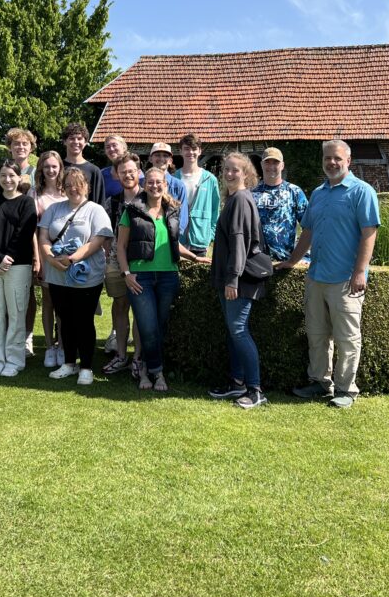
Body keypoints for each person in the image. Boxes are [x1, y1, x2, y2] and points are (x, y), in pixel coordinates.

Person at [277, 140, 380, 409]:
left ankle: (346, 389)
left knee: (347, 338)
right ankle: (320, 382)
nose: (331, 163)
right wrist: (292, 261)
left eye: (336, 158)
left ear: (348, 160)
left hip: (345, 279)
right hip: (316, 276)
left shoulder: (362, 192)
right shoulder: (319, 194)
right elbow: (308, 232)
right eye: (327, 158)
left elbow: (369, 233)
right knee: (317, 334)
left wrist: (360, 272)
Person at [117, 168, 209, 392]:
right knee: (147, 328)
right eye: (150, 182)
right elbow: (120, 246)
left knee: (159, 326)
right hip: (141, 277)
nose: (155, 186)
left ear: (166, 185)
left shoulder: (172, 210)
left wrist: (195, 257)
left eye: (159, 182)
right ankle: (155, 373)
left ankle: (150, 368)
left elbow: (172, 243)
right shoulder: (132, 210)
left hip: (168, 275)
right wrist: (126, 274)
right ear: (144, 184)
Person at [38, 167, 113, 385]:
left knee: (83, 320)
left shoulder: (95, 210)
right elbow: (43, 236)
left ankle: (86, 367)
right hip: (57, 274)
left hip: (86, 275)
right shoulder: (54, 209)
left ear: (86, 186)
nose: (73, 188)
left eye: (77, 184)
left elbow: (97, 241)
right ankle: (69, 363)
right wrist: (51, 259)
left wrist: (71, 259)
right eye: (68, 184)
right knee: (65, 319)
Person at [208, 152, 268, 409]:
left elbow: (240, 242)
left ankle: (255, 390)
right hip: (230, 279)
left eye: (236, 170)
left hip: (239, 281)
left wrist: (232, 279)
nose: (230, 173)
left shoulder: (242, 199)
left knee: (240, 331)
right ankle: (237, 383)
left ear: (246, 174)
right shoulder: (234, 199)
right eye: (227, 169)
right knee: (234, 332)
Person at [0, 159, 38, 377]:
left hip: (17, 266)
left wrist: (8, 258)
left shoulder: (26, 203)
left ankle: (14, 360)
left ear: (19, 177)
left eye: (11, 175)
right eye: (3, 175)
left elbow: (24, 232)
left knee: (16, 314)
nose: (7, 179)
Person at [102, 152, 142, 375]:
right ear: (116, 175)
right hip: (116, 263)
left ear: (138, 172)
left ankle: (137, 357)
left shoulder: (148, 198)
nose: (127, 175)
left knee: (139, 310)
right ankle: (120, 355)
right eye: (123, 172)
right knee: (119, 306)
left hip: (141, 262)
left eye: (131, 171)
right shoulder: (112, 202)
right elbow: (106, 234)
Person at [5, 127, 39, 356]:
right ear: (10, 147)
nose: (20, 147)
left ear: (31, 147)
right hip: (5, 239)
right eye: (16, 144)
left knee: (27, 293)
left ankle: (27, 336)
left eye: (25, 144)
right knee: (6, 292)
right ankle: (9, 335)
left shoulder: (38, 172)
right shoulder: (4, 171)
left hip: (32, 238)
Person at [31, 151, 66, 367]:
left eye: (54, 166)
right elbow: (32, 230)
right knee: (48, 303)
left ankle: (62, 345)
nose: (51, 170)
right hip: (44, 254)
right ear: (41, 170)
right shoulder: (35, 194)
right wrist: (37, 257)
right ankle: (49, 347)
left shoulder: (67, 191)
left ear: (60, 168)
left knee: (62, 304)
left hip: (65, 255)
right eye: (47, 167)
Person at [252, 147, 309, 261]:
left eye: (275, 162)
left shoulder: (294, 192)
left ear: (282, 165)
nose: (271, 166)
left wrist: (299, 256)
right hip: (256, 260)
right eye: (267, 162)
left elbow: (309, 226)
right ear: (261, 165)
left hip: (285, 260)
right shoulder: (251, 193)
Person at [175, 133, 220, 257]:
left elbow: (216, 210)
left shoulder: (210, 179)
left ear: (200, 151)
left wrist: (210, 235)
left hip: (200, 238)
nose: (191, 152)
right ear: (181, 151)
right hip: (178, 239)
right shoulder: (174, 178)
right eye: (187, 149)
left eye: (194, 149)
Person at [148, 142, 189, 235]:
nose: (161, 158)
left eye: (165, 156)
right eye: (157, 155)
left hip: (172, 236)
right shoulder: (144, 183)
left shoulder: (179, 186)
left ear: (170, 160)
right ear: (151, 158)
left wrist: (175, 234)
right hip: (149, 234)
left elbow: (183, 215)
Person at [61, 122, 106, 205]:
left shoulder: (94, 171)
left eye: (79, 138)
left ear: (85, 142)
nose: (76, 142)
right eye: (71, 138)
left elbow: (99, 203)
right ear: (64, 141)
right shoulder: (58, 168)